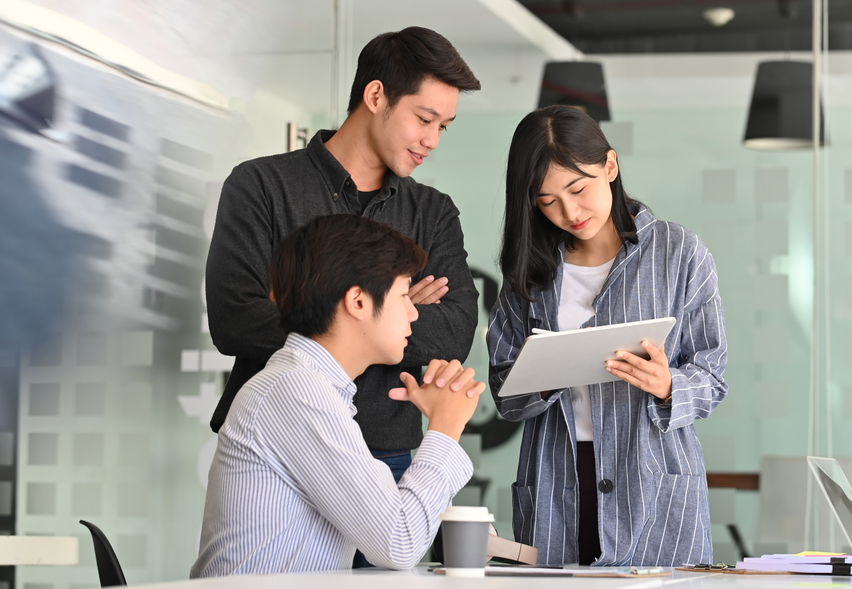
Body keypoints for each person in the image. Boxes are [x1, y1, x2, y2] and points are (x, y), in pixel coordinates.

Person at [205, 27, 481, 483]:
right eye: (424, 119)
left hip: (385, 454)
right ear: (376, 95)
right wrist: (396, 313)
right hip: (275, 446)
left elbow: (453, 334)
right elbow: (235, 321)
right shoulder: (261, 187)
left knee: (395, 551)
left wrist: (303, 310)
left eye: (443, 127)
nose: (433, 140)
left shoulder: (432, 212)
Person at [487, 105, 729, 567]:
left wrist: (668, 385)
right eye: (547, 201)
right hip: (558, 478)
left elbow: (712, 379)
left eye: (578, 189)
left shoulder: (680, 253)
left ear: (610, 167)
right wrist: (545, 374)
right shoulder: (530, 271)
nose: (569, 211)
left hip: (652, 480)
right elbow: (504, 390)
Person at [191, 214, 485, 577]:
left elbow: (400, 526)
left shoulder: (315, 388)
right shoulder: (296, 393)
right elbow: (400, 541)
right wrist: (445, 426)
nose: (414, 313)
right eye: (404, 295)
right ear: (358, 302)